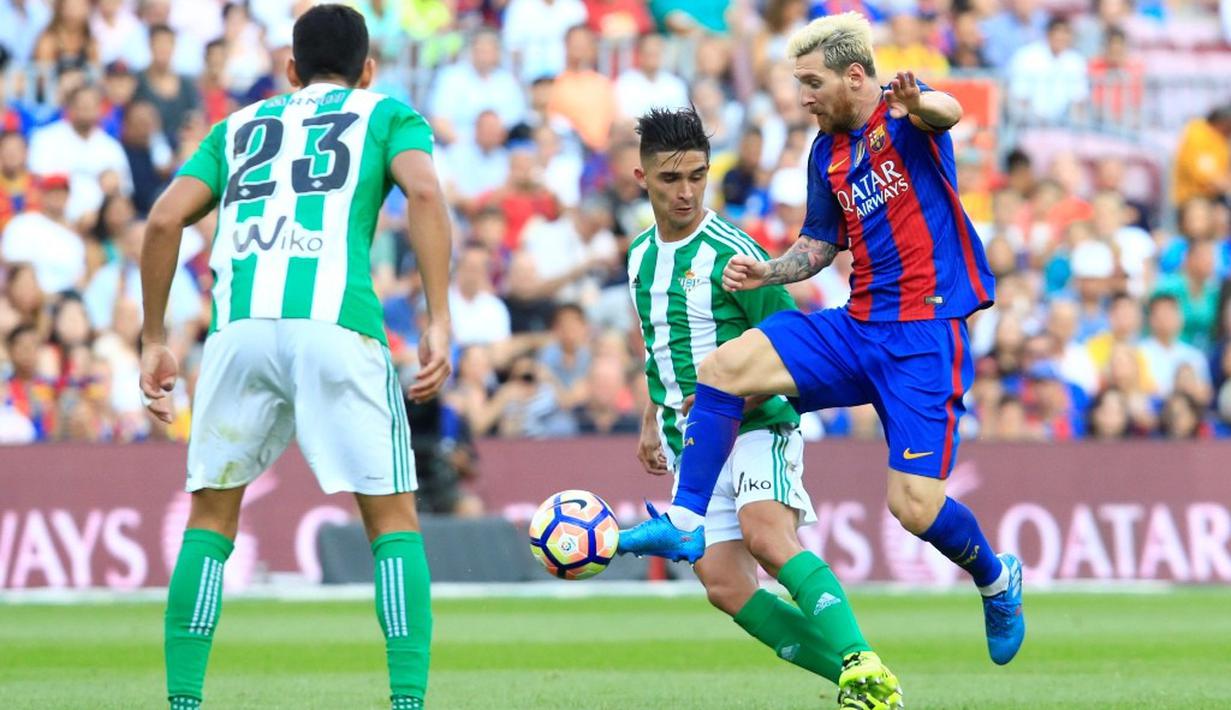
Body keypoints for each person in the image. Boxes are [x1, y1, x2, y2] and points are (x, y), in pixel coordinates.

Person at [618, 13, 1026, 670]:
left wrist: (918, 99)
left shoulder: (907, 121)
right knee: (724, 369)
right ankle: (686, 522)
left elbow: (946, 111)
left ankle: (996, 581)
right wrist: (769, 270)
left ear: (854, 76)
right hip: (856, 323)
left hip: (922, 336)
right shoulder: (824, 152)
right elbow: (818, 243)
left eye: (811, 83)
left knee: (913, 507)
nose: (801, 97)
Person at [138, 6, 452, 710]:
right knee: (392, 522)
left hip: (239, 327)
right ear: (368, 69)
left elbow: (162, 220)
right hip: (335, 323)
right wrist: (438, 318)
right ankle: (407, 703)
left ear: (289, 68)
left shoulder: (239, 126)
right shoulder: (385, 112)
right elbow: (425, 191)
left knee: (211, 518)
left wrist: (153, 337)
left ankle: (183, 701)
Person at [622, 107, 902, 710]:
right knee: (723, 584)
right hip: (688, 445)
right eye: (671, 179)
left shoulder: (731, 253)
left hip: (754, 426)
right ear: (641, 177)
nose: (687, 191)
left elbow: (791, 348)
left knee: (768, 535)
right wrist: (652, 415)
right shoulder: (639, 256)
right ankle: (865, 686)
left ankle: (860, 655)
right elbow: (659, 342)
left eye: (697, 175)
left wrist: (738, 394)